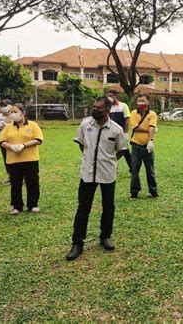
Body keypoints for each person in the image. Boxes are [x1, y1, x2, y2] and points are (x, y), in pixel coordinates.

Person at [66, 97, 127, 261]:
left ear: (108, 110)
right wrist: (90, 158)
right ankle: (77, 242)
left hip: (107, 174)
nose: (95, 110)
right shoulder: (85, 125)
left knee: (108, 206)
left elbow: (121, 150)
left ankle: (105, 236)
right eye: (94, 107)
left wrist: (107, 160)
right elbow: (81, 144)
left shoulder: (116, 129)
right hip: (87, 174)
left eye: (99, 108)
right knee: (83, 208)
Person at [0, 104, 43, 215]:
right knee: (15, 184)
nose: (12, 114)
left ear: (22, 113)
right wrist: (11, 147)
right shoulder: (8, 127)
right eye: (11, 112)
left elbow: (38, 139)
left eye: (15, 111)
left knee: (32, 182)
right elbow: (2, 141)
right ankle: (16, 206)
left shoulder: (33, 125)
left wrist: (24, 145)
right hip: (13, 160)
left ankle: (33, 205)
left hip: (30, 159)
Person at [129, 93, 158, 199]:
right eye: (139, 101)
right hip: (136, 145)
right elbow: (135, 128)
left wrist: (151, 140)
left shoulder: (152, 114)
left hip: (147, 146)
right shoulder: (133, 113)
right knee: (134, 170)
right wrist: (151, 131)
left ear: (148, 102)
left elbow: (152, 127)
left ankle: (153, 191)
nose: (140, 103)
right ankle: (134, 192)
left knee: (150, 170)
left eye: (143, 101)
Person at [107, 89, 132, 173]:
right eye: (108, 96)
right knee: (112, 151)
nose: (109, 98)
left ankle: (132, 169)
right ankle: (114, 169)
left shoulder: (123, 106)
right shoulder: (107, 107)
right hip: (110, 133)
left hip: (121, 133)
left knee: (125, 151)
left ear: (115, 96)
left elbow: (127, 120)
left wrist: (125, 133)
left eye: (111, 96)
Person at [0, 99, 12, 185]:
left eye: (5, 105)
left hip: (14, 141)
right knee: (6, 159)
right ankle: (10, 176)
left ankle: (20, 177)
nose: (3, 107)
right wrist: (1, 126)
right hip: (3, 141)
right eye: (2, 106)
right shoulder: (0, 116)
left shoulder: (15, 115)